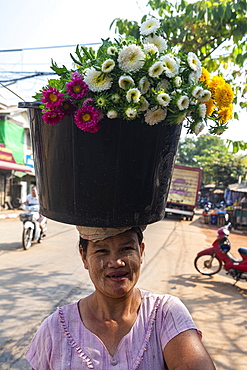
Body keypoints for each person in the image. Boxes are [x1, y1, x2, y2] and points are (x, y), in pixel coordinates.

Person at [26, 226, 216, 369]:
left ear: (141, 252)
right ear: (84, 257)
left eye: (126, 249)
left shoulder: (165, 313)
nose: (116, 262)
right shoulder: (55, 328)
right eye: (102, 251)